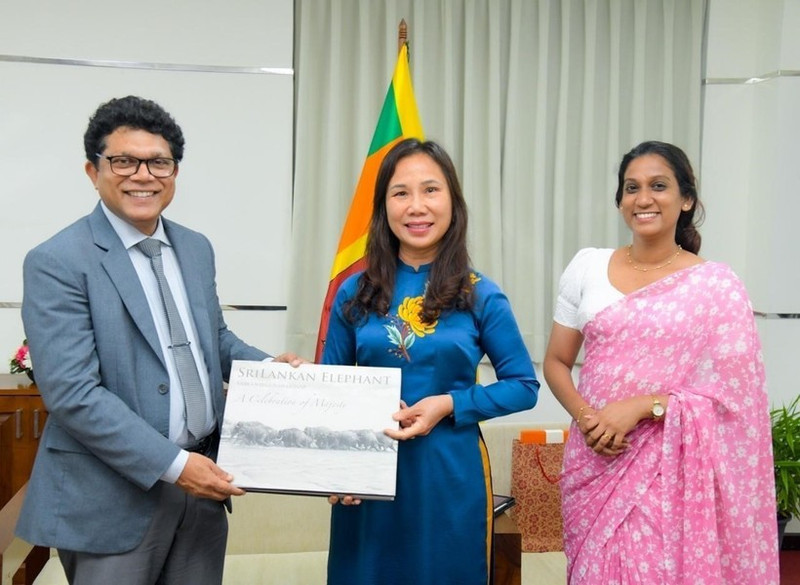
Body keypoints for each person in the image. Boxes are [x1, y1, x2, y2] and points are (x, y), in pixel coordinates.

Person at [16, 95, 301, 585]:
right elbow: (73, 394)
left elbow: (212, 339)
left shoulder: (194, 247)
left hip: (202, 489)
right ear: (93, 171)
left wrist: (270, 371)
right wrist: (173, 465)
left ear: (174, 172)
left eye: (159, 162)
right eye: (124, 161)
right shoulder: (58, 260)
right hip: (109, 500)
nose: (143, 175)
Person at [543, 140, 780, 584]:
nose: (643, 199)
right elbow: (556, 361)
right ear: (620, 201)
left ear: (685, 199)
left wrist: (641, 406)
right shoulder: (586, 267)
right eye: (631, 188)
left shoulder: (715, 286)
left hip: (670, 474)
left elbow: (736, 400)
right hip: (594, 460)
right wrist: (589, 418)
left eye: (658, 186)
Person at [321, 137, 539, 585]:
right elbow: (331, 389)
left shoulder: (481, 293)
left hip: (449, 471)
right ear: (383, 208)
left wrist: (450, 404)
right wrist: (333, 470)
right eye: (401, 193)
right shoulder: (354, 292)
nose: (416, 206)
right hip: (368, 473)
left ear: (453, 203)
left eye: (430, 190)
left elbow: (523, 384)